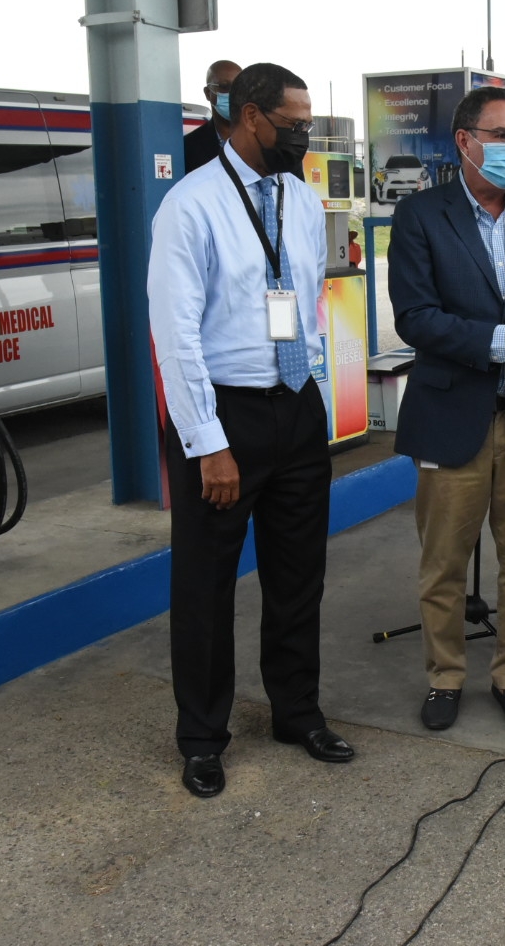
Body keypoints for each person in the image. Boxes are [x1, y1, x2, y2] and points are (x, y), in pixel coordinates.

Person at [148, 61, 354, 800]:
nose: (303, 133)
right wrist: (207, 442)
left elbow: (303, 301)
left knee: (300, 579)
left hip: (295, 406)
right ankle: (202, 737)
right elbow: (175, 334)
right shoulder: (191, 204)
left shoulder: (300, 200)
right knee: (205, 588)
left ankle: (297, 712)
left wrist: (317, 399)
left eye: (307, 121)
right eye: (293, 121)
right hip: (225, 415)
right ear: (251, 117)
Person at [389, 86, 505, 732]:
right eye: (502, 136)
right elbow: (415, 318)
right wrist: (504, 340)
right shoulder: (421, 216)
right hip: (451, 419)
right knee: (443, 562)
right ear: (465, 142)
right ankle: (445, 677)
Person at [183, 59, 240, 175]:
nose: (233, 93)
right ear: (208, 93)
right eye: (224, 87)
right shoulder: (188, 147)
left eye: (239, 87)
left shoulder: (262, 140)